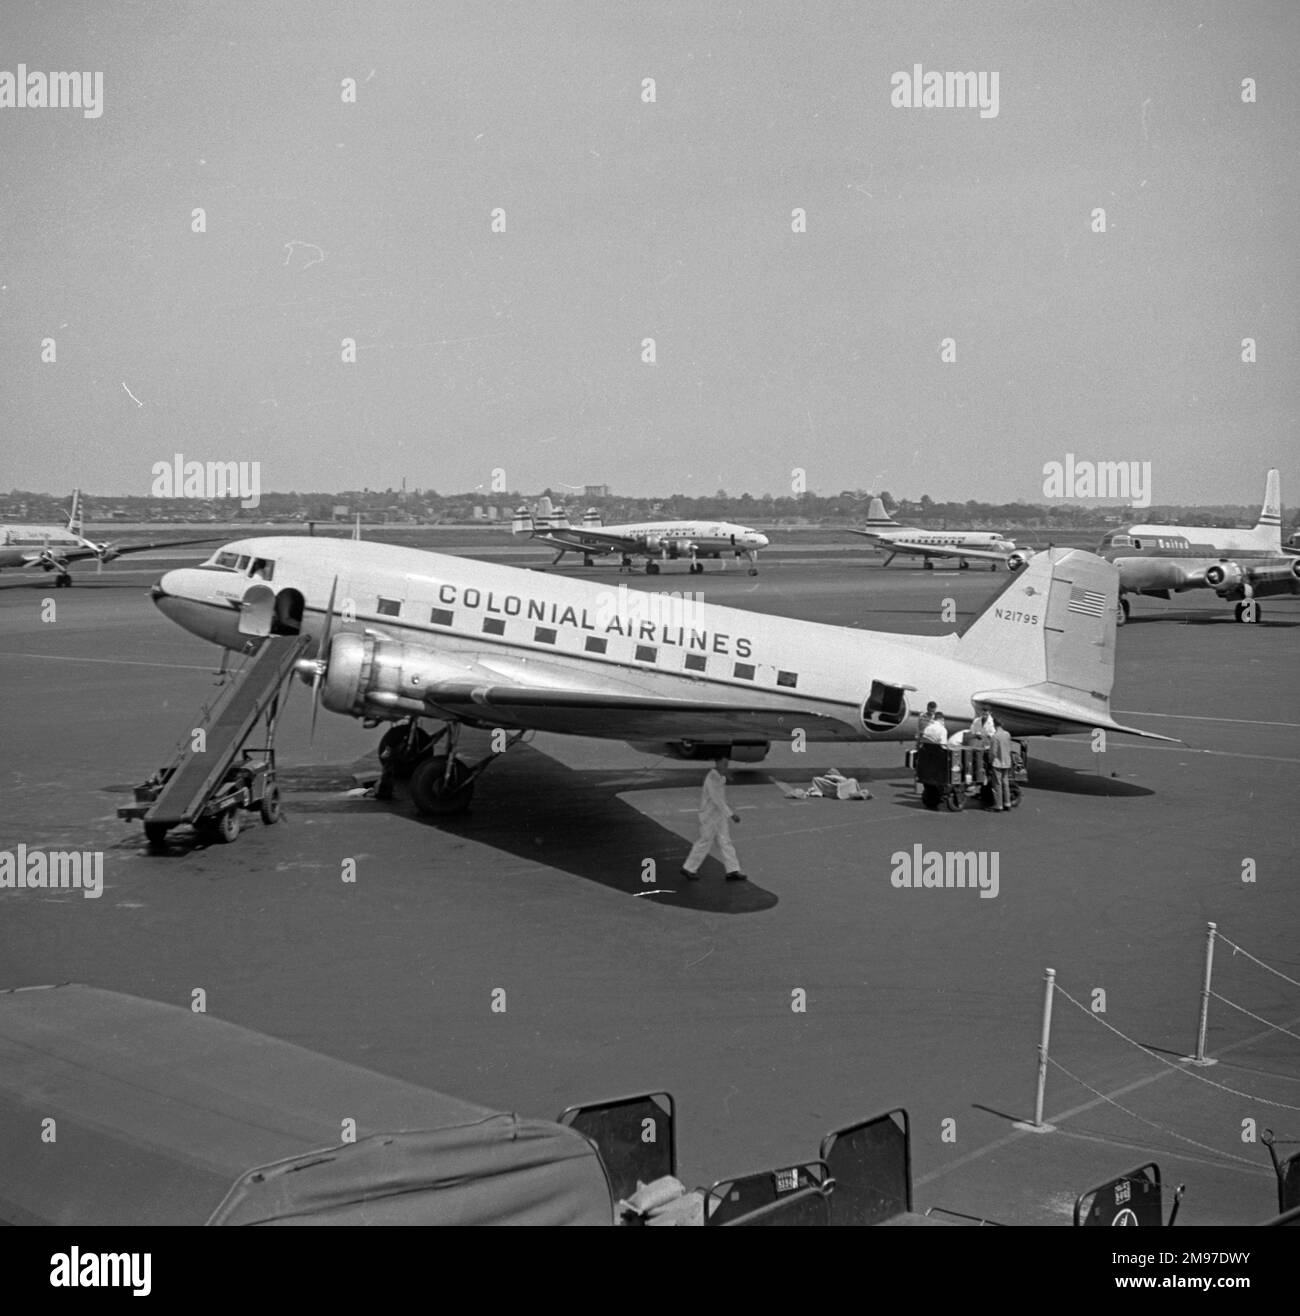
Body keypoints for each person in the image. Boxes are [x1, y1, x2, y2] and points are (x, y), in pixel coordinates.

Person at [681, 757, 746, 881]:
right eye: (724, 764)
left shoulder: (719, 776)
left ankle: (732, 870)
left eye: (727, 764)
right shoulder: (712, 778)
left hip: (718, 816)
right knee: (705, 841)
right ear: (717, 762)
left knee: (725, 841)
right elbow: (717, 799)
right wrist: (731, 814)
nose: (726, 766)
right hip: (710, 816)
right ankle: (689, 868)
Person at [987, 718, 1015, 811]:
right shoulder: (1007, 734)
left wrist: (990, 760)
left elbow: (993, 752)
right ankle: (1007, 803)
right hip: (1007, 762)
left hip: (997, 763)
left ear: (994, 725)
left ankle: (998, 805)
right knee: (1005, 783)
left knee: (997, 784)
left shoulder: (995, 736)